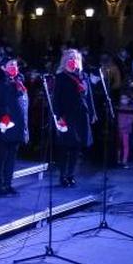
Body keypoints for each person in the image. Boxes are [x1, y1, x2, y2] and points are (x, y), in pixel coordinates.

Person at [0, 53, 27, 196]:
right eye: (10, 65)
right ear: (3, 67)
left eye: (15, 65)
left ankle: (8, 184)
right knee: (2, 157)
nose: (14, 68)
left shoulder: (18, 82)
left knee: (11, 157)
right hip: (3, 124)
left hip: (16, 125)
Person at [52, 49, 92, 187]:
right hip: (66, 116)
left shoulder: (83, 76)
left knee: (76, 147)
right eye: (70, 58)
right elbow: (56, 99)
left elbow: (88, 96)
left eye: (75, 58)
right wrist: (58, 117)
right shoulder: (61, 77)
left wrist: (92, 113)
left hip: (80, 115)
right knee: (65, 147)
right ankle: (63, 176)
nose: (73, 60)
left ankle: (71, 175)